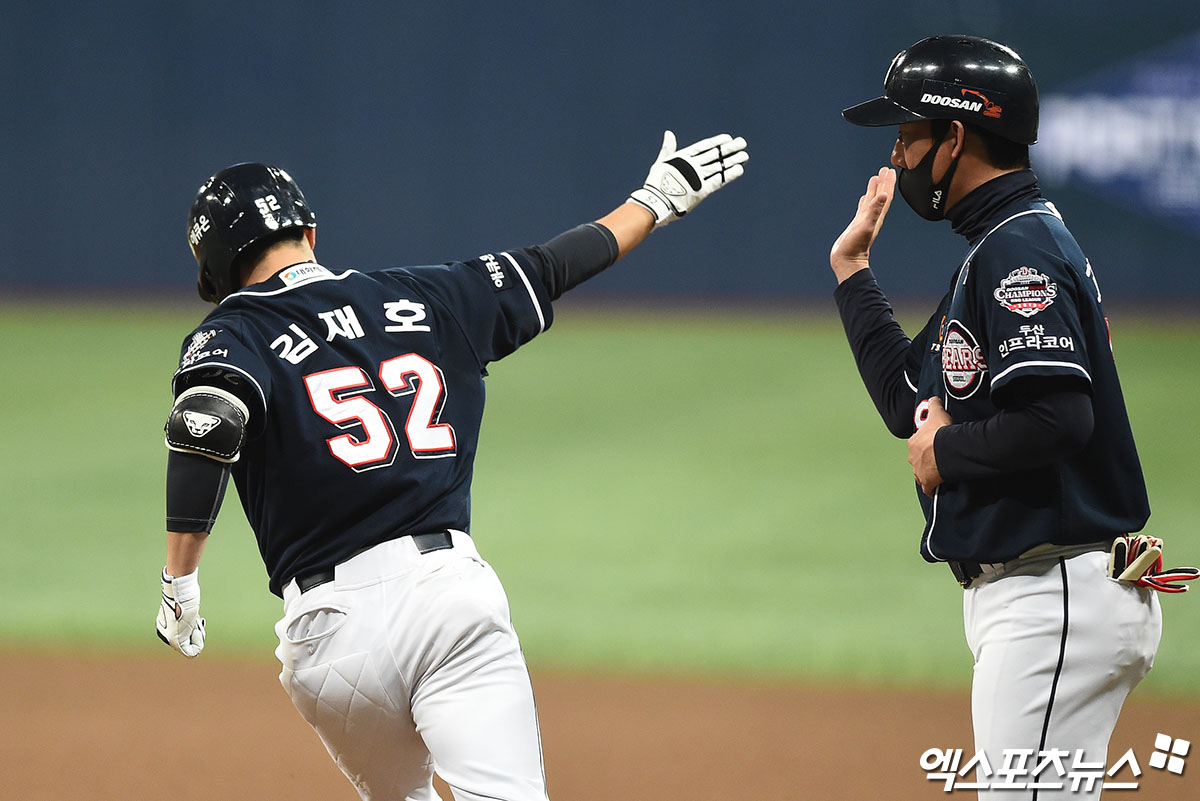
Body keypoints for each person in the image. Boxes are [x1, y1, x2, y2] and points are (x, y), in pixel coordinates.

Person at [155, 130, 748, 801]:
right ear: (311, 233)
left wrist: (181, 585)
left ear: (218, 272)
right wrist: (657, 198)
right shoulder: (433, 296)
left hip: (326, 635)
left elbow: (207, 422)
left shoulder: (233, 329)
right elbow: (554, 264)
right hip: (447, 598)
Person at [831, 34, 1194, 798]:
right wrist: (854, 273)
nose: (896, 158)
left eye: (907, 136)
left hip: (1053, 594)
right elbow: (909, 398)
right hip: (1050, 595)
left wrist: (949, 452)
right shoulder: (999, 244)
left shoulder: (1017, 248)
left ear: (955, 136)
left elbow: (1062, 418)